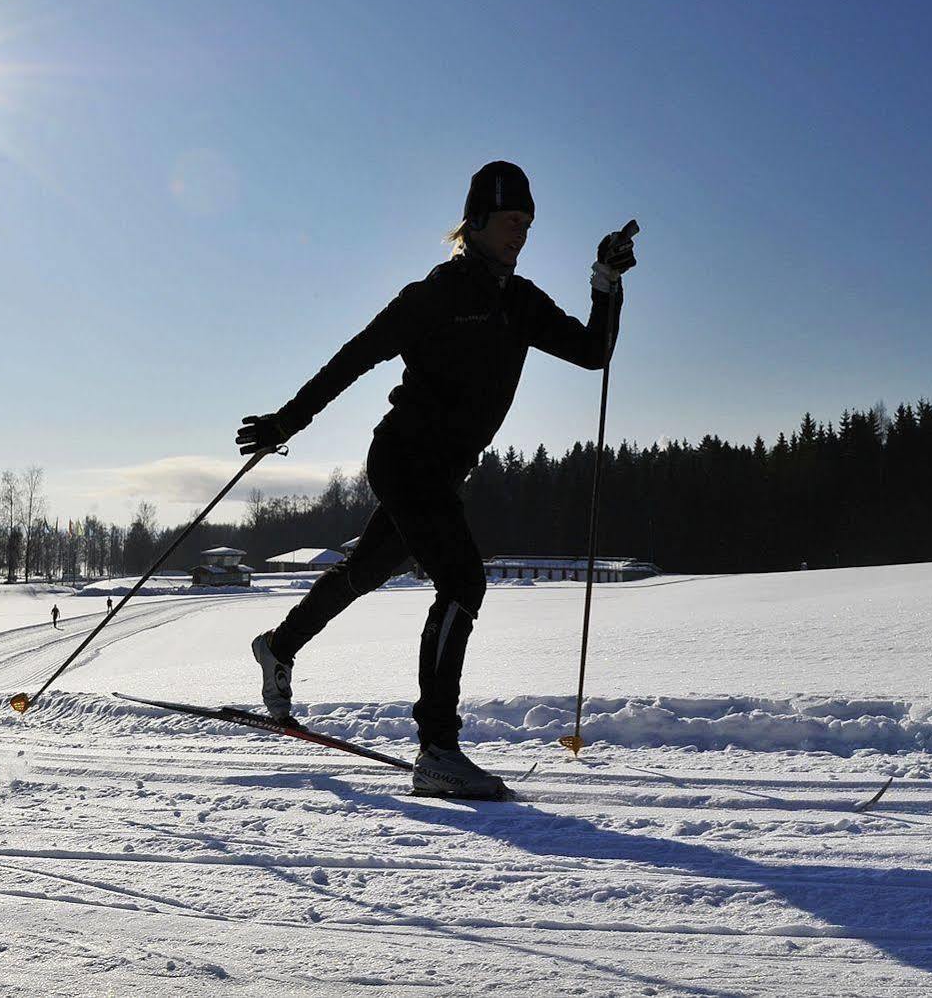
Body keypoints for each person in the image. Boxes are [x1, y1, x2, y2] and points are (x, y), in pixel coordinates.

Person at [237, 162, 636, 798]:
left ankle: (278, 647)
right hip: (403, 458)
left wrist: (606, 282)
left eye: (527, 224)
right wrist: (288, 421)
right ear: (473, 222)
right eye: (509, 221)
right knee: (463, 577)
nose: (520, 234)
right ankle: (437, 748)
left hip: (444, 472)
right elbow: (355, 356)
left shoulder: (521, 301)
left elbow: (594, 352)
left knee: (367, 570)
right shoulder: (435, 294)